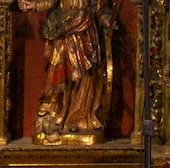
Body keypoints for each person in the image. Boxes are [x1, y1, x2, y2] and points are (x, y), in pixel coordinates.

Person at [18, 0, 114, 142]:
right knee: (61, 71)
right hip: (63, 30)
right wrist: (35, 6)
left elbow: (101, 6)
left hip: (84, 31)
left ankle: (78, 118)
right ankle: (56, 115)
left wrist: (106, 19)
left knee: (84, 76)